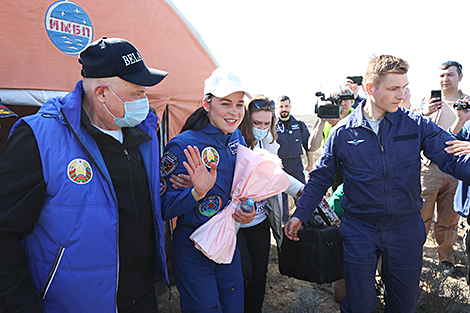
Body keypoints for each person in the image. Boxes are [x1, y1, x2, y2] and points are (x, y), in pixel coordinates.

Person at [284, 55, 470, 313]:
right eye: (394, 88)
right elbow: (321, 177)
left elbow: (453, 160)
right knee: (360, 305)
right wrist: (300, 214)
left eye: (404, 87)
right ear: (370, 89)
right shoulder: (343, 132)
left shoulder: (416, 125)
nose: (402, 94)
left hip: (405, 229)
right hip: (359, 230)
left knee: (403, 306)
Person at [0, 37, 169, 312]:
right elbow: (4, 232)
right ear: (102, 93)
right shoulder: (39, 138)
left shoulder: (145, 134)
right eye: (137, 93)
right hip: (72, 304)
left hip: (141, 298)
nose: (144, 101)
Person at [160, 68, 256, 312]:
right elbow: (163, 208)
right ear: (206, 103)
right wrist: (196, 193)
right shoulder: (182, 145)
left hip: (226, 243)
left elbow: (244, 189)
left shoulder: (237, 140)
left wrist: (248, 208)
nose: (234, 112)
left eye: (239, 104)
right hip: (193, 248)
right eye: (225, 103)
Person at [237, 95, 303, 313]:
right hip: (236, 222)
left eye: (267, 123)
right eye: (257, 123)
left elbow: (276, 174)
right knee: (242, 274)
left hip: (259, 220)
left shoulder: (269, 142)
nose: (262, 128)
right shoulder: (234, 143)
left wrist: (301, 189)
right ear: (246, 121)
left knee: (259, 274)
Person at [417, 61, 468, 274]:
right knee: (421, 215)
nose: (445, 79)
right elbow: (412, 129)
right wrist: (424, 112)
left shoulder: (466, 103)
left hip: (457, 171)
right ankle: (413, 256)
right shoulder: (426, 103)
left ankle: (445, 259)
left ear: (460, 77)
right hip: (429, 170)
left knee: (448, 219)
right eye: (442, 75)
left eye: (450, 75)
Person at [275, 95, 313, 222]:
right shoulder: (273, 126)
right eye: (281, 106)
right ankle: (284, 223)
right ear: (277, 108)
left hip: (297, 165)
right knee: (282, 199)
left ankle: (303, 221)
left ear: (290, 107)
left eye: (286, 106)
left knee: (302, 195)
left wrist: (310, 164)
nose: (283, 109)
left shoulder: (299, 125)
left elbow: (309, 147)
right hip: (280, 166)